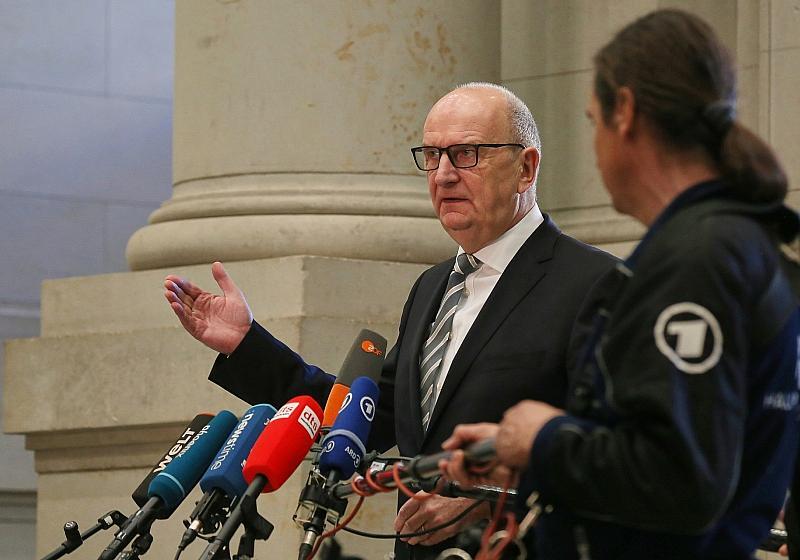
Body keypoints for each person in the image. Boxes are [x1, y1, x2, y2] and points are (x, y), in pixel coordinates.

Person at [164, 82, 616, 560]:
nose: (443, 175)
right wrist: (245, 344)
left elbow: (617, 452)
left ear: (525, 168)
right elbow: (365, 417)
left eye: (465, 154)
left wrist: (488, 502)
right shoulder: (433, 287)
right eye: (432, 156)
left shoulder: (596, 284)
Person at [441, 9, 800, 560]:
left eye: (593, 121)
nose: (595, 147)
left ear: (625, 111)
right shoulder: (736, 243)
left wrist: (545, 436)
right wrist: (525, 451)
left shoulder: (698, 259)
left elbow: (681, 478)